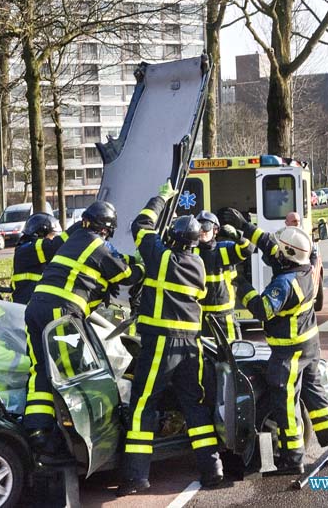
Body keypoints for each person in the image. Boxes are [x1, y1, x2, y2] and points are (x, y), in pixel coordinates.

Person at [221, 210, 328, 474]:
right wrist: (245, 226)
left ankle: (292, 460)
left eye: (282, 250)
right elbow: (272, 247)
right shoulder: (302, 267)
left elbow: (261, 309)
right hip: (309, 346)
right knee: (316, 397)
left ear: (289, 254)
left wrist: (238, 281)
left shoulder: (285, 284)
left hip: (289, 351)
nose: (276, 252)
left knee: (286, 402)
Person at [117, 181, 223, 497]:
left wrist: (162, 197)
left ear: (173, 239)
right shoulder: (199, 266)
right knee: (195, 407)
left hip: (160, 344)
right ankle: (212, 468)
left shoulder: (160, 258)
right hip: (191, 347)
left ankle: (136, 476)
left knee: (143, 405)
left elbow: (141, 224)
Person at [23, 200, 143, 454]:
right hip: (61, 313)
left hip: (35, 308)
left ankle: (37, 429)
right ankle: (77, 434)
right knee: (74, 371)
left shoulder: (74, 240)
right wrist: (143, 265)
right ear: (107, 228)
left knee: (42, 369)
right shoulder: (97, 245)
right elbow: (125, 275)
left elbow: (112, 261)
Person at [194, 210, 254, 341]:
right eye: (199, 227)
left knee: (232, 355)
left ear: (215, 230)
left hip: (224, 317)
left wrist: (238, 237)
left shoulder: (225, 249)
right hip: (198, 317)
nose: (202, 231)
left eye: (206, 227)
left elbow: (248, 249)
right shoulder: (191, 251)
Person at [10, 212, 68, 304]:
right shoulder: (26, 250)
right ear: (40, 234)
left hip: (36, 302)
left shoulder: (33, 250)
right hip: (24, 306)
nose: (54, 239)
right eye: (53, 235)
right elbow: (53, 246)